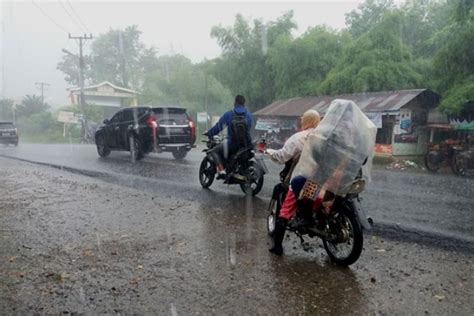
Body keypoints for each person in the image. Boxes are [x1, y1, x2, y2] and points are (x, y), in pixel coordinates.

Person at [205, 95, 253, 179]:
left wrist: (209, 133)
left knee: (214, 151)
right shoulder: (249, 115)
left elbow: (218, 127)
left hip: (232, 144)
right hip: (246, 144)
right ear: (244, 103)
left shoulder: (229, 114)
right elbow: (248, 128)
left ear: (235, 102)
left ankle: (222, 170)